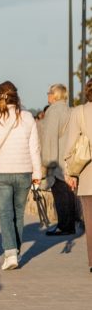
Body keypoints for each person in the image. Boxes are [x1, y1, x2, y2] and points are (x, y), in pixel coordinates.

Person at [0, 81, 41, 271]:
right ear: (16, 96)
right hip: (24, 171)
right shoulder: (28, 117)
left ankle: (10, 252)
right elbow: (35, 148)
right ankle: (15, 251)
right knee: (18, 214)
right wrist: (37, 173)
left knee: (5, 214)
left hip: (0, 171)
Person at [39, 84, 76, 236]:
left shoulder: (53, 111)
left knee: (60, 194)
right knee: (68, 194)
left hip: (57, 160)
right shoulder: (69, 110)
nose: (47, 95)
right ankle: (69, 225)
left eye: (49, 92)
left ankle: (64, 226)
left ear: (54, 95)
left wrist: (46, 163)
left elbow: (49, 138)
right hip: (69, 159)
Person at [64, 79, 92, 274]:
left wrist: (69, 172)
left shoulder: (79, 112)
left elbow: (70, 146)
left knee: (90, 222)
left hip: (88, 175)